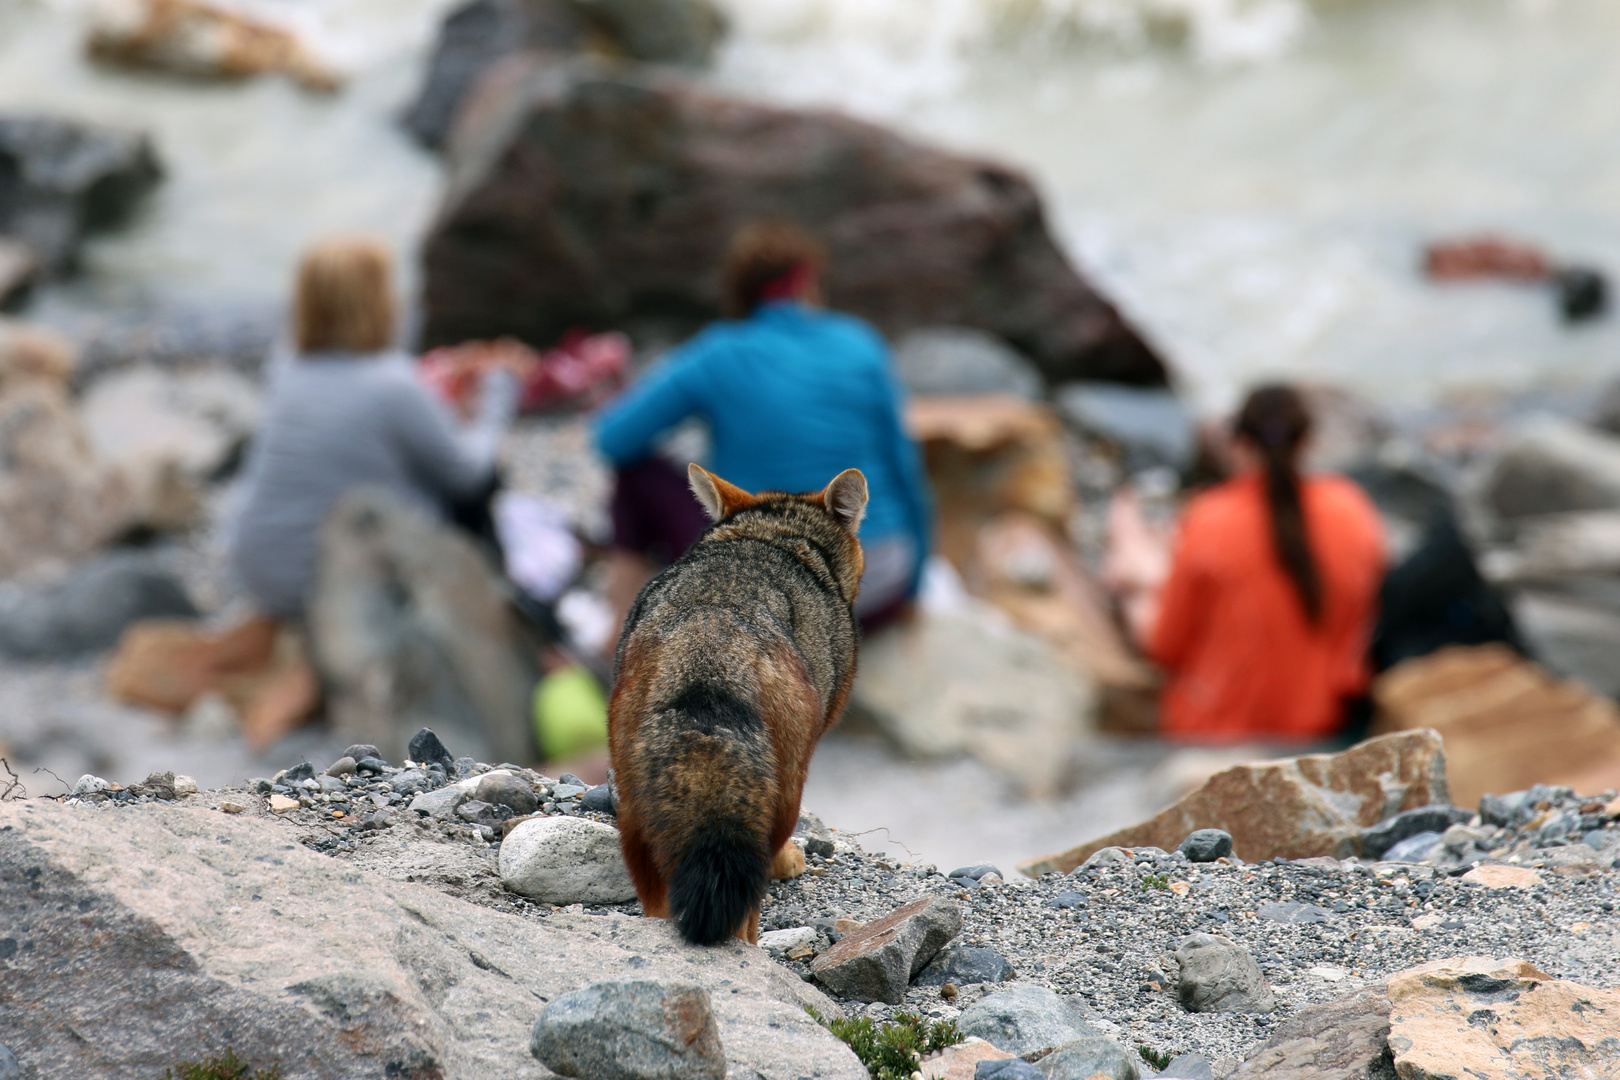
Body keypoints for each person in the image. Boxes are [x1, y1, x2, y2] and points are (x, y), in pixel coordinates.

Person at [219, 236, 523, 751]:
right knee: (468, 496)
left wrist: (444, 380)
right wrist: (499, 392)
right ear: (378, 302)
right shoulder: (391, 386)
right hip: (323, 581)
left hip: (255, 562)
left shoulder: (288, 364)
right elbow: (469, 474)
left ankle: (290, 651)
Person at [591, 221, 933, 631]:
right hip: (876, 587)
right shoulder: (863, 344)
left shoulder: (721, 352)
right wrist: (912, 590)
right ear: (809, 283)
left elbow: (612, 439)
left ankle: (618, 639)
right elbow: (906, 472)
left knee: (636, 476)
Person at [1145, 385, 1385, 743]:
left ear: (1238, 443)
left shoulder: (1208, 516)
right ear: (1309, 441)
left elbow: (1165, 646)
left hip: (1218, 729)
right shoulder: (1351, 507)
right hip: (1326, 724)